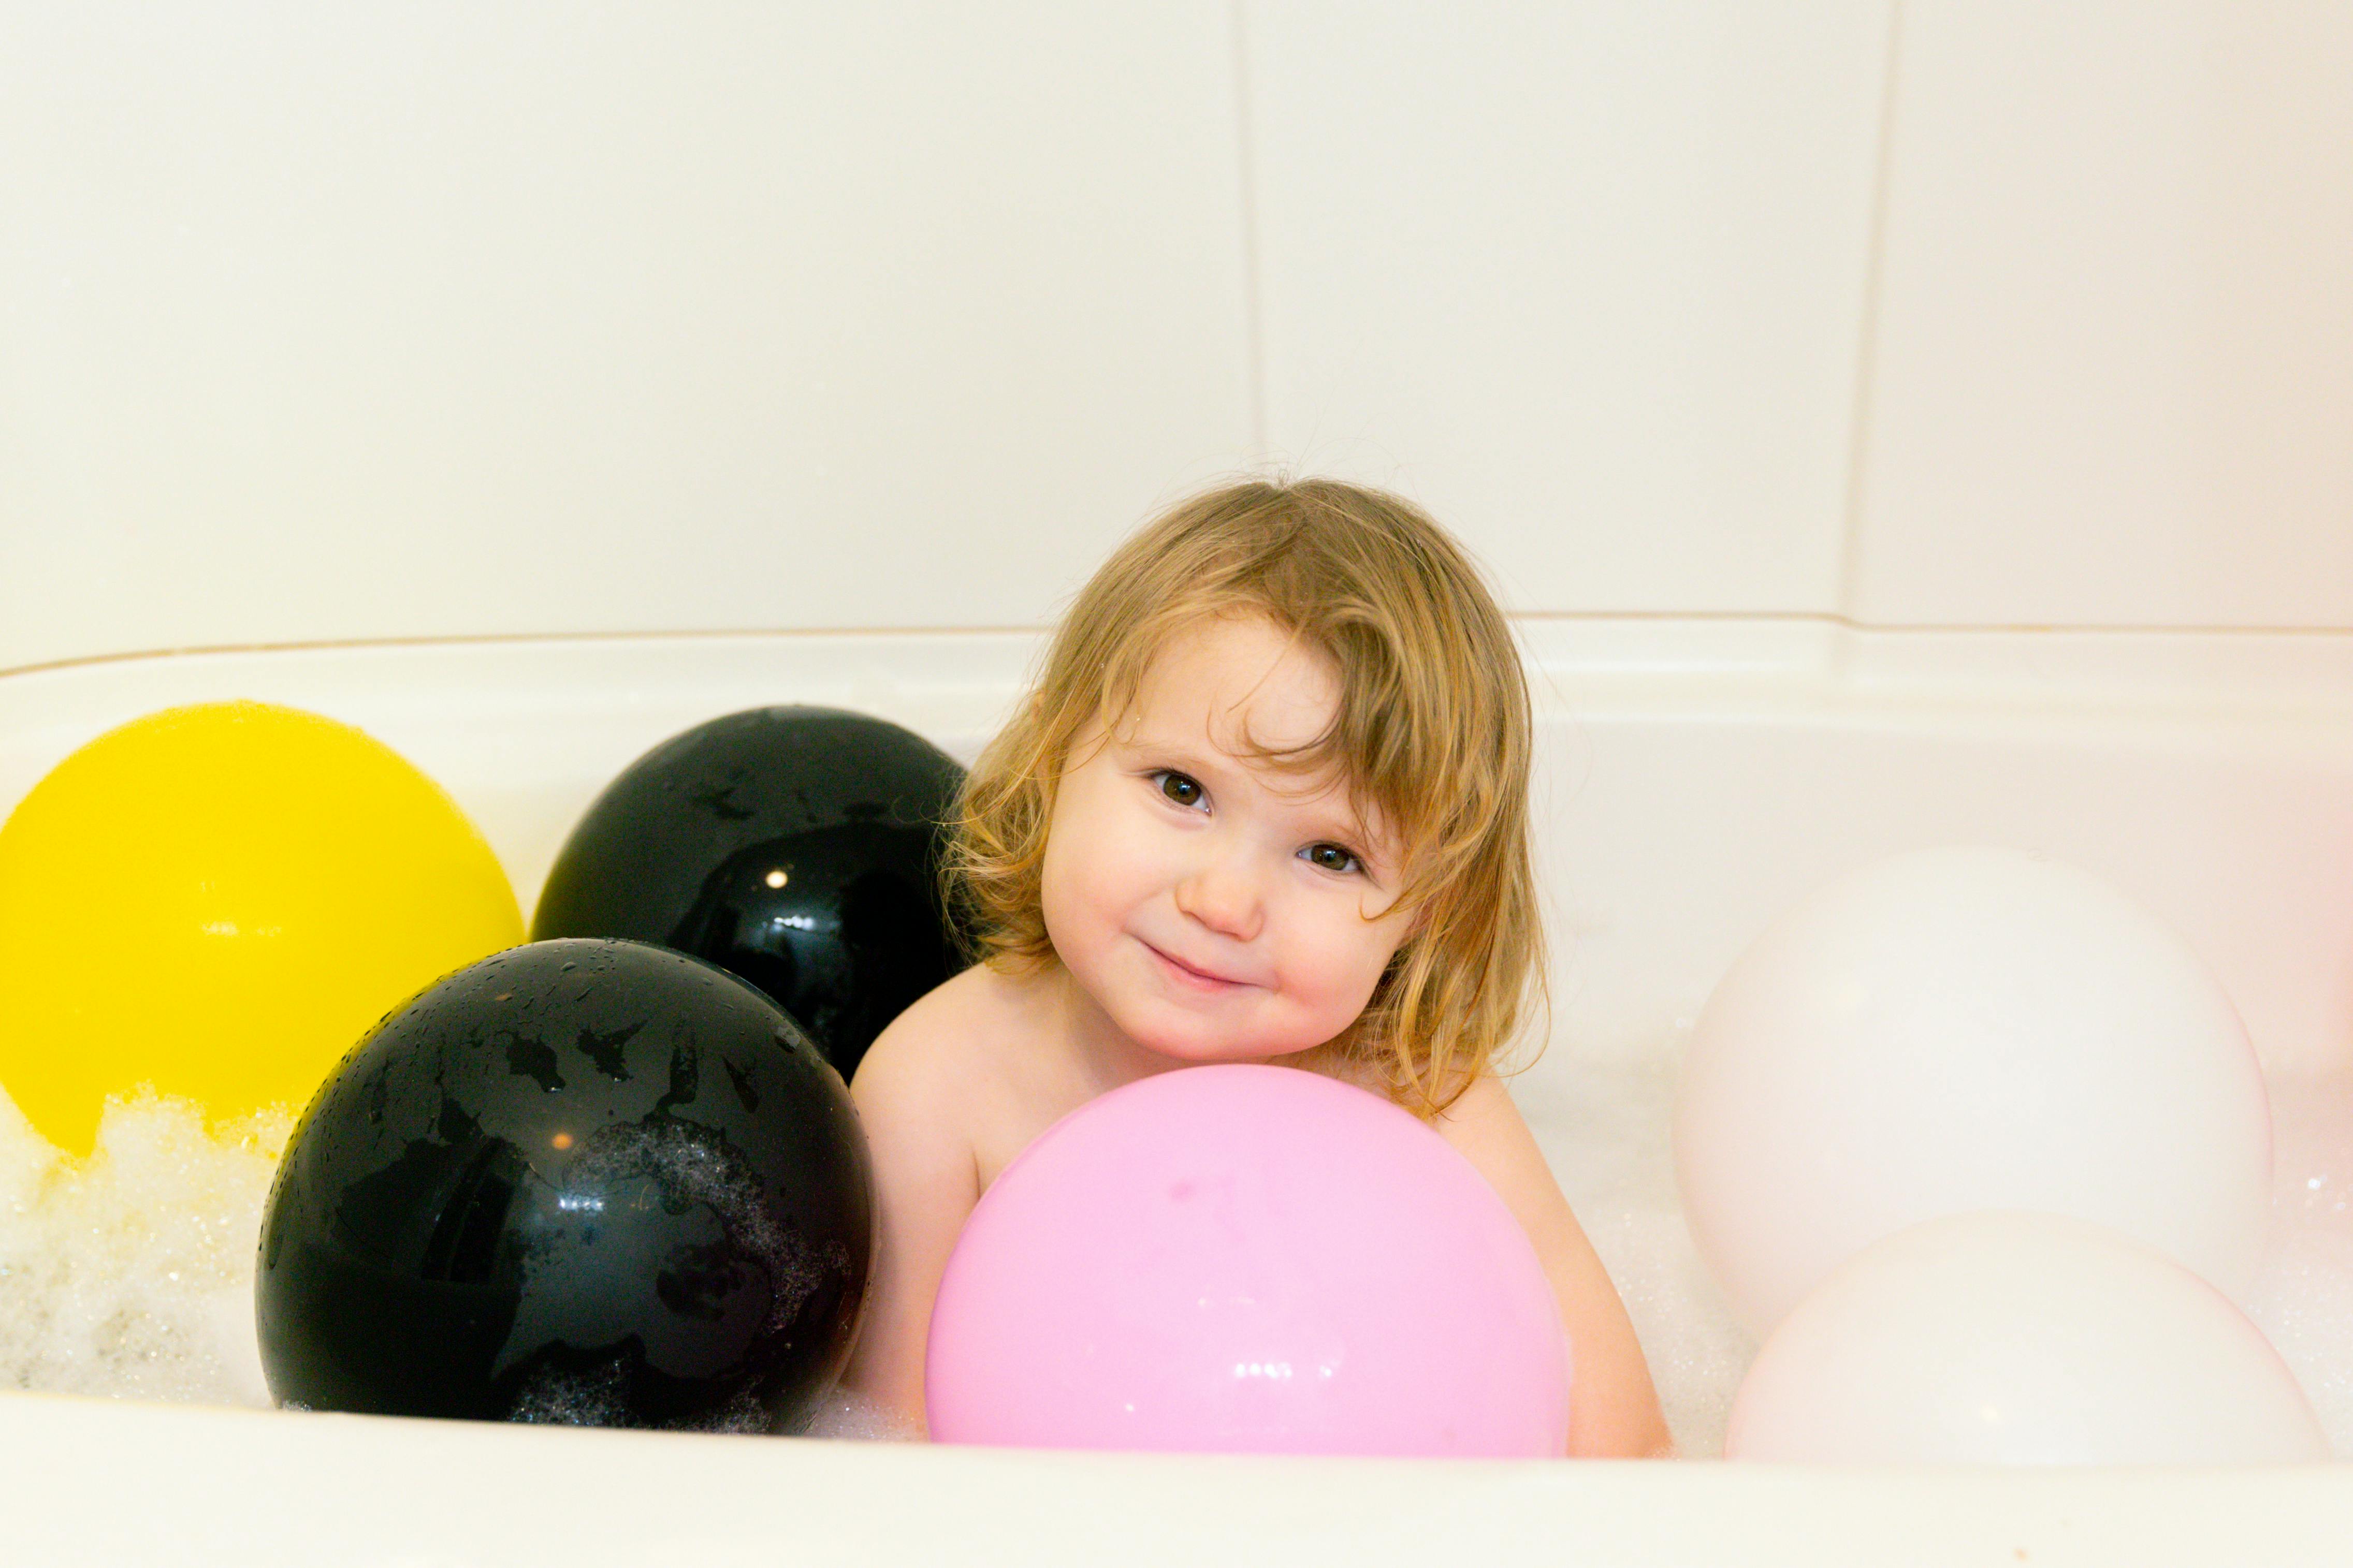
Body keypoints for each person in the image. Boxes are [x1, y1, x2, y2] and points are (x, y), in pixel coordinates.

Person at [842, 477, 1671, 1458]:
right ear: (1053, 755)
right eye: (1182, 789)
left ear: (1424, 916)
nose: (1224, 902)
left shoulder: (1422, 1105)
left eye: (1330, 855)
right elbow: (885, 1459)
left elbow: (1625, 1451)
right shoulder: (941, 1082)